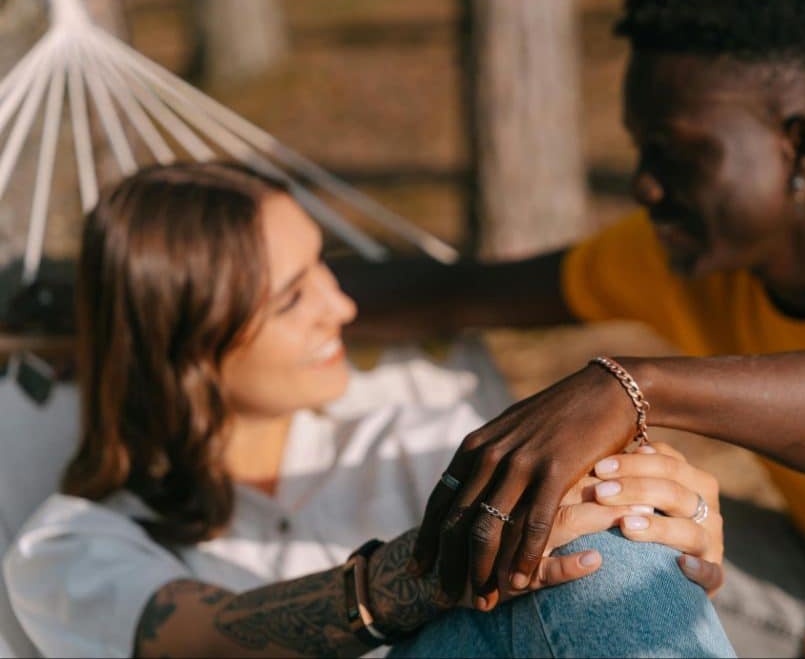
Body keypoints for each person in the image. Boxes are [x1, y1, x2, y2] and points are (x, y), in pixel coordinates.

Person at [333, 0, 805, 656]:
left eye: (679, 153)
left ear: (801, 145)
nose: (644, 184)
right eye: (640, 149)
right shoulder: (695, 254)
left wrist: (633, 387)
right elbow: (463, 292)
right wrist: (262, 280)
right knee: (591, 525)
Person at [2, 163, 735, 658]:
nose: (344, 307)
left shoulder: (408, 438)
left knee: (607, 544)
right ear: (187, 347)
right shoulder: (67, 546)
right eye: (293, 297)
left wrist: (645, 501)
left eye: (326, 267)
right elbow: (204, 641)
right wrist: (432, 570)